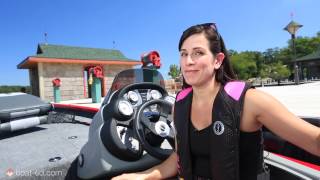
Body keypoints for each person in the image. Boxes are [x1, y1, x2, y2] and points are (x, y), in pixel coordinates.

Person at [112, 23, 320, 180]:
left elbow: (314, 141)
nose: (188, 61)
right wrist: (142, 176)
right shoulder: (179, 105)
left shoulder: (249, 102)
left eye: (198, 53)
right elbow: (178, 158)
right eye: (184, 54)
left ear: (218, 60)